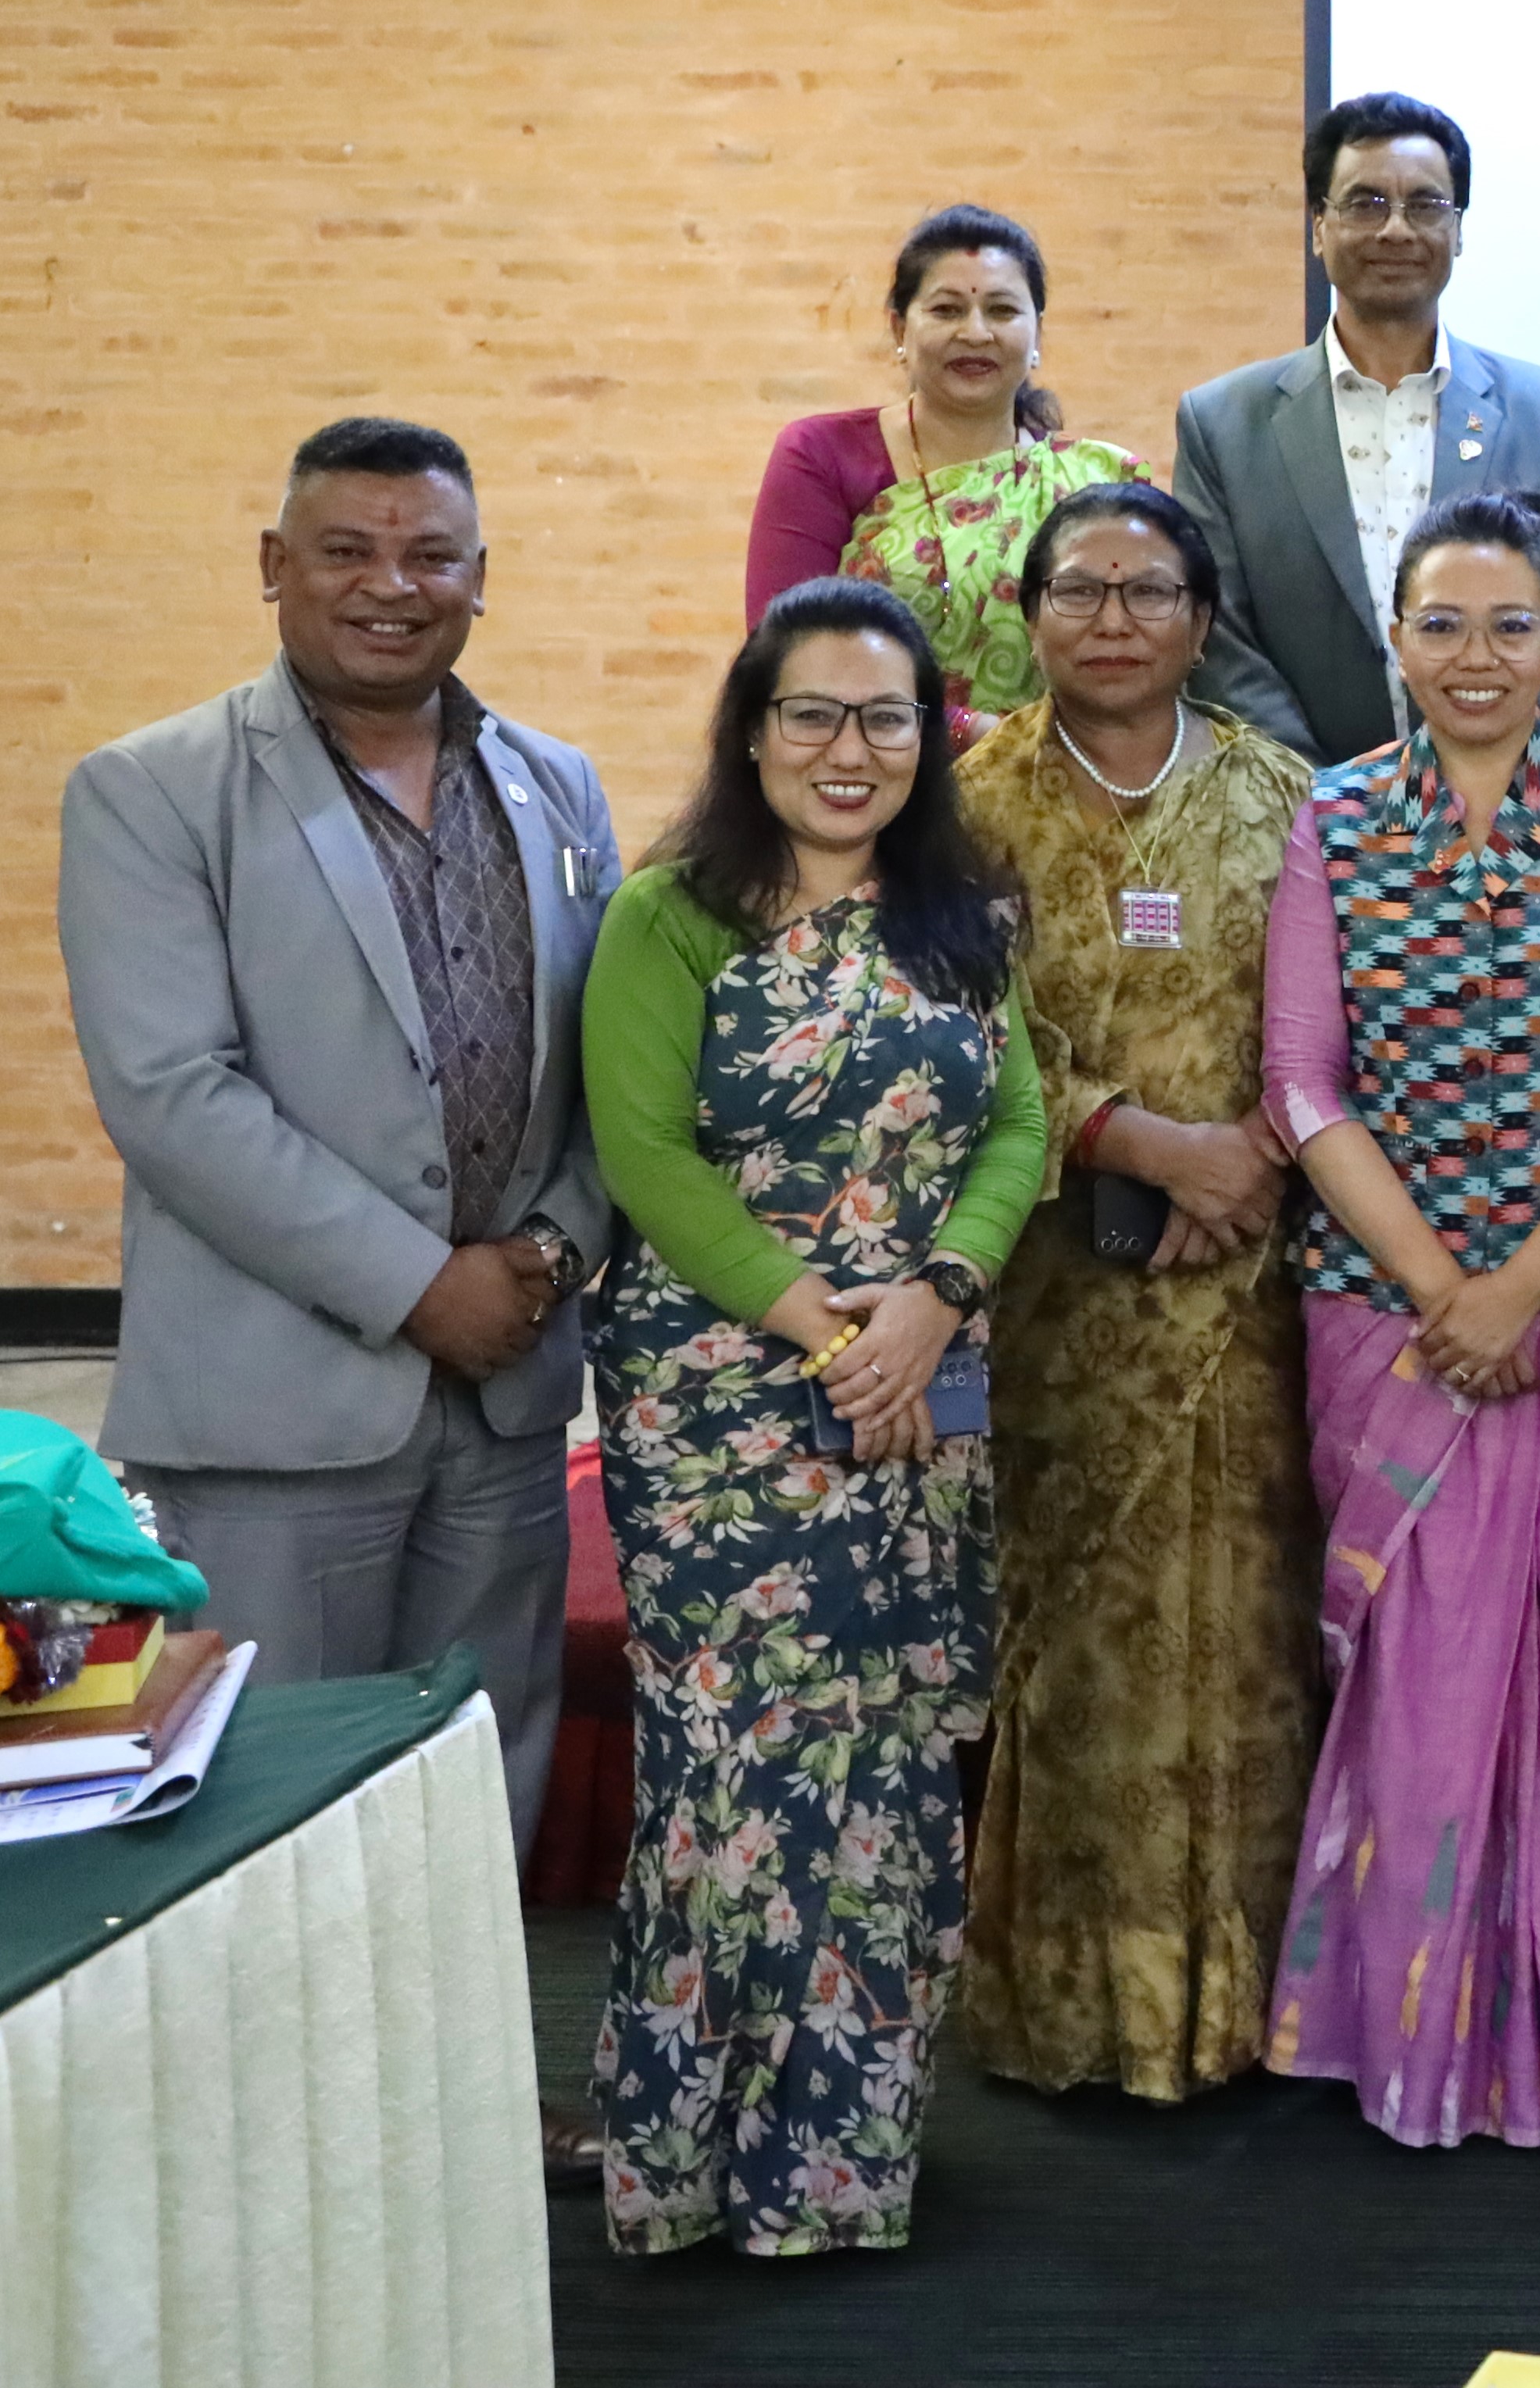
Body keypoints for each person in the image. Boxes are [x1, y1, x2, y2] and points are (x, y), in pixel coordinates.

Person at [62, 418, 613, 1874]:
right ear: (274, 565)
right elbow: (174, 1092)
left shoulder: (558, 786)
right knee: (268, 1813)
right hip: (274, 1415)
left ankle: (471, 2041)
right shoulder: (153, 790)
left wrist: (549, 1251)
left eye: (430, 554)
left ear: (480, 576)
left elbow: (618, 1076)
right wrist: (421, 1286)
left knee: (475, 1790)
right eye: (347, 550)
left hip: (504, 1402)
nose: (391, 585)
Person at [581, 579, 1052, 2256]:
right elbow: (646, 1153)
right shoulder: (671, 916)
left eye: (885, 716)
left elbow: (1020, 1126)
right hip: (722, 1400)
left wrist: (933, 1297)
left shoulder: (961, 913)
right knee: (737, 1767)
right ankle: (687, 2164)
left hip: (920, 1386)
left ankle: (838, 2169)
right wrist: (827, 1326)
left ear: (929, 736)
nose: (849, 748)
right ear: (755, 729)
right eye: (813, 713)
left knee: (886, 1763)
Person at [1257, 492, 1540, 2148]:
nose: (1475, 656)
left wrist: (1522, 1283)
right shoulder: (1329, 822)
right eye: (1441, 623)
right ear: (1394, 638)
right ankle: (1400, 2028)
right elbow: (1301, 1079)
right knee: (1414, 1669)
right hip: (1381, 1320)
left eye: (1510, 624)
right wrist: (1446, 1289)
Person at [956, 484, 1321, 2104]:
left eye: (1149, 588)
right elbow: (952, 1032)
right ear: (1029, 616)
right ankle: (1072, 2004)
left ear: (1202, 616)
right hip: (1053, 1294)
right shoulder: (960, 807)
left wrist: (1248, 1159)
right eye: (1080, 589)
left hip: (1249, 1290)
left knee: (1247, 1626)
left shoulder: (1285, 794)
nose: (1114, 617)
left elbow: (1343, 1010)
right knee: (1077, 1632)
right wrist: (1140, 1142)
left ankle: (1251, 2006)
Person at [1174, 92, 1540, 763]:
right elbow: (1221, 640)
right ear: (1318, 227)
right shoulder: (1222, 424)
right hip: (1297, 803)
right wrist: (1331, 797)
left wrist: (1469, 778)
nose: (1396, 230)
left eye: (1426, 205)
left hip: (1509, 803)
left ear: (1458, 231)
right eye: (1366, 203)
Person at [741, 204, 1146, 721]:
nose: (975, 333)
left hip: (1066, 763)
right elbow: (786, 655)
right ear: (899, 330)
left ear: (1037, 336)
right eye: (947, 310)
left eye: (1002, 310)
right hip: (870, 755)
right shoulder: (821, 455)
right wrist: (967, 733)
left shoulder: (1097, 483)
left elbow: (1145, 651)